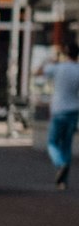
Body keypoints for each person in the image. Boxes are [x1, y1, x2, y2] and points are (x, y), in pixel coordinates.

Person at [48, 40, 79, 190]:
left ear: (66, 53)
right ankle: (63, 182)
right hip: (74, 111)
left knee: (52, 143)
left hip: (59, 110)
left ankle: (60, 164)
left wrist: (51, 60)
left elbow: (39, 71)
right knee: (66, 145)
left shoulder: (58, 68)